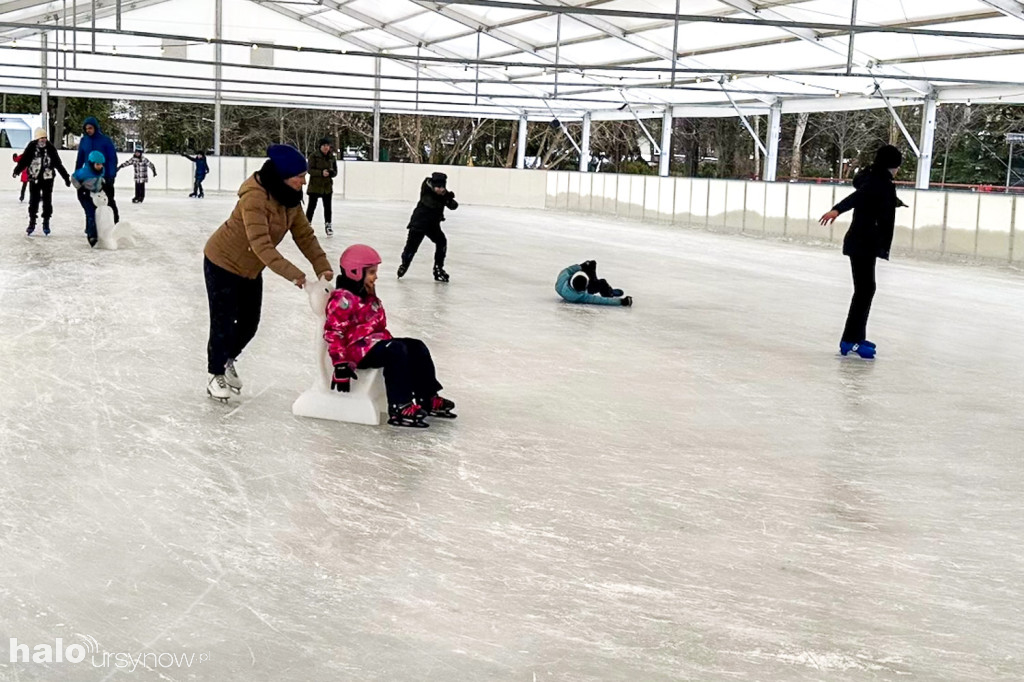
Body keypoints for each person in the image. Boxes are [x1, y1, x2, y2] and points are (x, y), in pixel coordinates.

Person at [202, 144, 334, 401]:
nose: (304, 181)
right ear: (284, 176)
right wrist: (298, 276)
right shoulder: (254, 197)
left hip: (251, 268)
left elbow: (304, 236)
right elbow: (261, 245)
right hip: (223, 262)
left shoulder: (289, 199)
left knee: (250, 323)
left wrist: (323, 268)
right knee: (223, 322)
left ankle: (227, 358)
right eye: (300, 176)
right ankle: (214, 373)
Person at [325, 244, 456, 428]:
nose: (375, 276)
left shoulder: (366, 294)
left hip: (375, 343)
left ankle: (427, 397)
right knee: (395, 350)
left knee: (416, 345)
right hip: (356, 351)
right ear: (355, 272)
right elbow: (334, 332)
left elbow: (379, 324)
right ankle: (399, 405)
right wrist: (340, 364)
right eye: (371, 272)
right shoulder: (342, 299)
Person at [819, 144, 904, 359]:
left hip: (863, 241)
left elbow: (869, 198)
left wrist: (894, 202)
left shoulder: (875, 178)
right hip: (863, 242)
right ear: (893, 165)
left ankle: (855, 337)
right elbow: (859, 197)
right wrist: (837, 209)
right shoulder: (879, 181)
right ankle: (850, 340)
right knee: (865, 290)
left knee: (865, 290)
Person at [397, 171, 458, 282]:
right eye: (437, 187)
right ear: (433, 185)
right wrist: (445, 197)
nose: (440, 189)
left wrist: (449, 199)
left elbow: (453, 206)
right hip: (419, 223)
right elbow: (432, 203)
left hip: (432, 225)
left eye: (442, 187)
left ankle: (438, 268)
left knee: (441, 242)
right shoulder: (427, 189)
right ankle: (404, 264)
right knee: (411, 247)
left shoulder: (443, 194)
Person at [13, 128, 71, 236]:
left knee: (47, 201)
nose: (43, 140)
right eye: (41, 138)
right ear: (37, 138)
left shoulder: (50, 148)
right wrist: (17, 171)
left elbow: (58, 164)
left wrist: (66, 177)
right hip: (34, 178)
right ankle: (32, 222)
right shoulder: (31, 147)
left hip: (48, 179)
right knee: (33, 201)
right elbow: (24, 160)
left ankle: (46, 222)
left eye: (45, 138)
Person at [74, 116, 119, 224]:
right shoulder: (84, 141)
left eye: (90, 128)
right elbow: (80, 158)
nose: (88, 130)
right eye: (86, 128)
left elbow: (112, 158)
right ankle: (91, 225)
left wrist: (111, 175)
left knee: (108, 200)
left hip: (104, 176)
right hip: (88, 176)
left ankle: (114, 221)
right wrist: (78, 174)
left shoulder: (105, 141)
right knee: (89, 202)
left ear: (95, 127)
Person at [556, 260, 632, 307]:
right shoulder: (582, 297)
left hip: (574, 286)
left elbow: (568, 270)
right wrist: (621, 301)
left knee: (591, 264)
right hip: (586, 289)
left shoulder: (562, 281)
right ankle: (609, 293)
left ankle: (595, 281)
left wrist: (580, 266)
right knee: (602, 283)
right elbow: (602, 300)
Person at [71, 151, 106, 247]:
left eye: (101, 164)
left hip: (94, 194)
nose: (100, 166)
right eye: (97, 164)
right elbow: (73, 177)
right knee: (90, 212)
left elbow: (101, 179)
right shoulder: (84, 172)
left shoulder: (102, 171)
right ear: (91, 163)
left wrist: (103, 185)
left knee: (95, 212)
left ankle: (89, 229)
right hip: (84, 194)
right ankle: (92, 235)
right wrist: (80, 188)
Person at [306, 137, 337, 236]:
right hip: (315, 186)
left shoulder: (332, 157)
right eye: (324, 146)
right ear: (320, 146)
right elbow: (309, 170)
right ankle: (307, 224)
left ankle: (328, 225)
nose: (326, 148)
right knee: (312, 206)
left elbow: (335, 171)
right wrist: (320, 173)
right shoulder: (313, 156)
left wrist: (331, 173)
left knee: (327, 207)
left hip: (327, 187)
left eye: (327, 145)